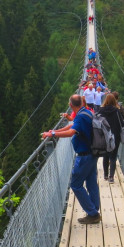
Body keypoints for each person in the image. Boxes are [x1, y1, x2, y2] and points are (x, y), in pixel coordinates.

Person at [41, 94, 101, 224]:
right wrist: (55, 131)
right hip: (93, 153)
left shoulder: (80, 116)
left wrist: (52, 134)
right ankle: (94, 209)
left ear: (70, 105)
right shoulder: (86, 112)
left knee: (75, 184)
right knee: (91, 182)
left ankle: (93, 213)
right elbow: (72, 126)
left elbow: (71, 132)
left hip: (84, 156)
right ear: (82, 103)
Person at [98, 93, 124, 183]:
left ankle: (105, 175)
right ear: (114, 100)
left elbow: (97, 122)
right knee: (113, 156)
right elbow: (122, 124)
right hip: (115, 136)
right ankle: (111, 177)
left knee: (105, 155)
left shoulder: (101, 110)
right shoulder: (116, 111)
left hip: (104, 137)